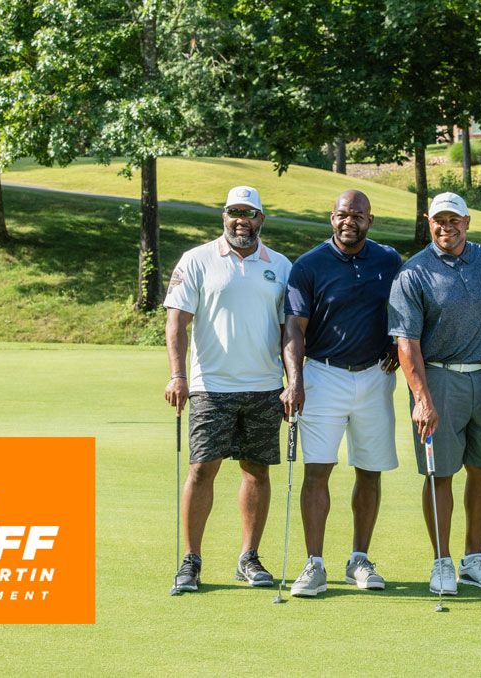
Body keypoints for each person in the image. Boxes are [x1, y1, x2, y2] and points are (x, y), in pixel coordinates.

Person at [164, 186, 292, 594]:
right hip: (210, 387)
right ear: (224, 216)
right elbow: (176, 322)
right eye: (234, 212)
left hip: (265, 386)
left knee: (257, 471)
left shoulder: (281, 266)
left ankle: (248, 558)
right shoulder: (197, 260)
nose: (242, 220)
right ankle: (191, 561)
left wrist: (293, 382)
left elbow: (290, 331)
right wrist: (178, 376)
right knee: (202, 470)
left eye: (250, 213)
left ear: (261, 220)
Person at [280, 189, 403, 597]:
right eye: (342, 214)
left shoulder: (388, 260)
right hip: (322, 375)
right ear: (331, 218)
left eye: (358, 215)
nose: (349, 221)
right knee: (318, 469)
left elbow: (402, 316)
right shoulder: (309, 265)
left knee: (369, 469)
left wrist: (395, 347)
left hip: (374, 377)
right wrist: (293, 381)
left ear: (371, 220)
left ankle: (358, 560)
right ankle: (314, 564)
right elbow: (293, 330)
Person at [388, 192, 481, 595]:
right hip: (438, 379)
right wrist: (421, 397)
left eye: (454, 219)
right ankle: (441, 561)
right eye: (439, 220)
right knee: (440, 472)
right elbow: (407, 343)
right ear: (429, 221)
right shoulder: (414, 272)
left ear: (468, 221)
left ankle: (473, 559)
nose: (447, 227)